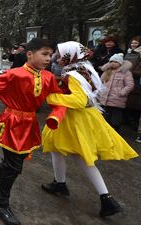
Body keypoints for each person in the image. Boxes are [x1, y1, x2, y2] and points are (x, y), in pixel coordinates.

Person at [41, 41, 138, 218]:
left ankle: (106, 199)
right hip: (83, 117)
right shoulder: (84, 68)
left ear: (70, 55)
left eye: (61, 53)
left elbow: (79, 100)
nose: (57, 56)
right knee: (58, 148)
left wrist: (51, 96)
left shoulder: (72, 74)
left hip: (76, 118)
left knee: (81, 156)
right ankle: (61, 184)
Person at [0, 38, 64, 225]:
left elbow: (58, 100)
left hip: (30, 124)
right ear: (30, 54)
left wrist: (56, 115)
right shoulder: (15, 74)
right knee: (14, 166)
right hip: (12, 123)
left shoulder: (48, 77)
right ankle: (2, 204)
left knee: (12, 163)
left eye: (50, 55)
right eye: (44, 54)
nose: (48, 58)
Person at [99, 53, 134, 131]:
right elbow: (100, 82)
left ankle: (115, 134)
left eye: (115, 62)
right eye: (111, 61)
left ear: (120, 63)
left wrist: (122, 92)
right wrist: (100, 92)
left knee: (115, 120)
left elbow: (130, 85)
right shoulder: (107, 71)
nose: (113, 63)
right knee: (105, 118)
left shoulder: (126, 72)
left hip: (117, 99)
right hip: (105, 99)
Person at [124, 36, 141, 141]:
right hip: (126, 78)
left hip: (135, 81)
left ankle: (134, 126)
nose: (133, 45)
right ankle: (130, 123)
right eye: (132, 43)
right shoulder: (128, 52)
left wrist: (131, 72)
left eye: (136, 43)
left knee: (135, 104)